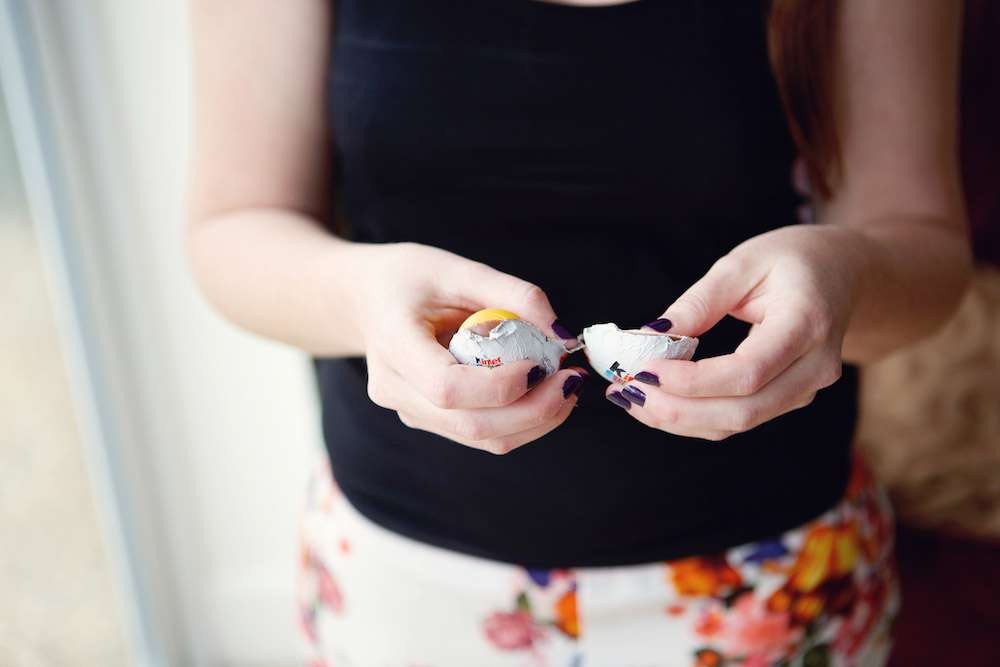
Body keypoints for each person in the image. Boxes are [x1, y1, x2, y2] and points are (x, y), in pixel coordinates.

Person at [187, 1, 971, 665]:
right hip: (407, 591)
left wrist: (845, 278)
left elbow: (924, 246)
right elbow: (235, 223)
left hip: (776, 588)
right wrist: (361, 297)